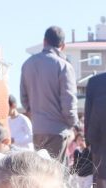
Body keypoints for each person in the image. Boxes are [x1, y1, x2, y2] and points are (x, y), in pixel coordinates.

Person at [20, 26, 79, 159]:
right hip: (58, 131)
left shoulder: (27, 64)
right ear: (63, 46)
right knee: (57, 176)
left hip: (37, 131)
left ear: (44, 41)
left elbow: (24, 100)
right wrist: (74, 125)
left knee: (42, 175)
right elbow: (68, 104)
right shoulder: (64, 66)